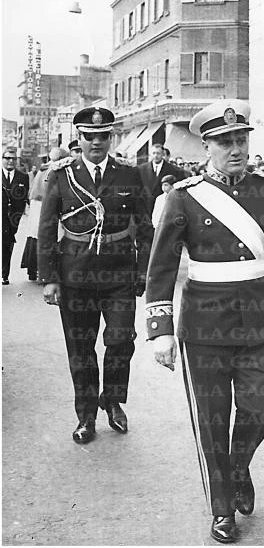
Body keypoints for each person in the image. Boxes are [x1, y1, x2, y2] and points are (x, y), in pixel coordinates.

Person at [145, 99, 264, 543]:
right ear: (205, 146)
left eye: (241, 140)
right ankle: (222, 507)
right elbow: (160, 269)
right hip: (205, 325)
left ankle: (238, 468)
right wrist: (160, 331)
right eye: (224, 142)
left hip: (259, 321)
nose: (235, 149)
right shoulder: (184, 196)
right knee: (213, 418)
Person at [37, 108, 153, 444]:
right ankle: (86, 415)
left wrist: (143, 270)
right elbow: (46, 229)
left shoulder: (130, 175)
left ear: (111, 138)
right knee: (80, 348)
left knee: (120, 340)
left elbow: (145, 229)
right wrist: (50, 278)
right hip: (75, 275)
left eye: (103, 136)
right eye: (89, 136)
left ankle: (112, 400)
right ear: (79, 138)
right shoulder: (62, 175)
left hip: (119, 274)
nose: (97, 142)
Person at [22, 148, 70, 281]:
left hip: (37, 205)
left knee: (36, 236)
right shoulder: (54, 170)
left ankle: (33, 269)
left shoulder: (44, 169)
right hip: (44, 205)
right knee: (48, 235)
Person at [2, 148, 30, 284]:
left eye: (13, 159)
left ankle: (4, 274)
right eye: (7, 158)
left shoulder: (23, 177)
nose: (10, 161)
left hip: (12, 218)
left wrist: (17, 219)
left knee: (7, 246)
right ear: (2, 159)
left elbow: (23, 198)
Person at [138, 143, 186, 210]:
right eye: (153, 153)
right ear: (150, 154)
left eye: (158, 153)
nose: (155, 156)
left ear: (163, 154)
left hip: (165, 207)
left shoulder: (174, 170)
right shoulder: (141, 169)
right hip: (146, 208)